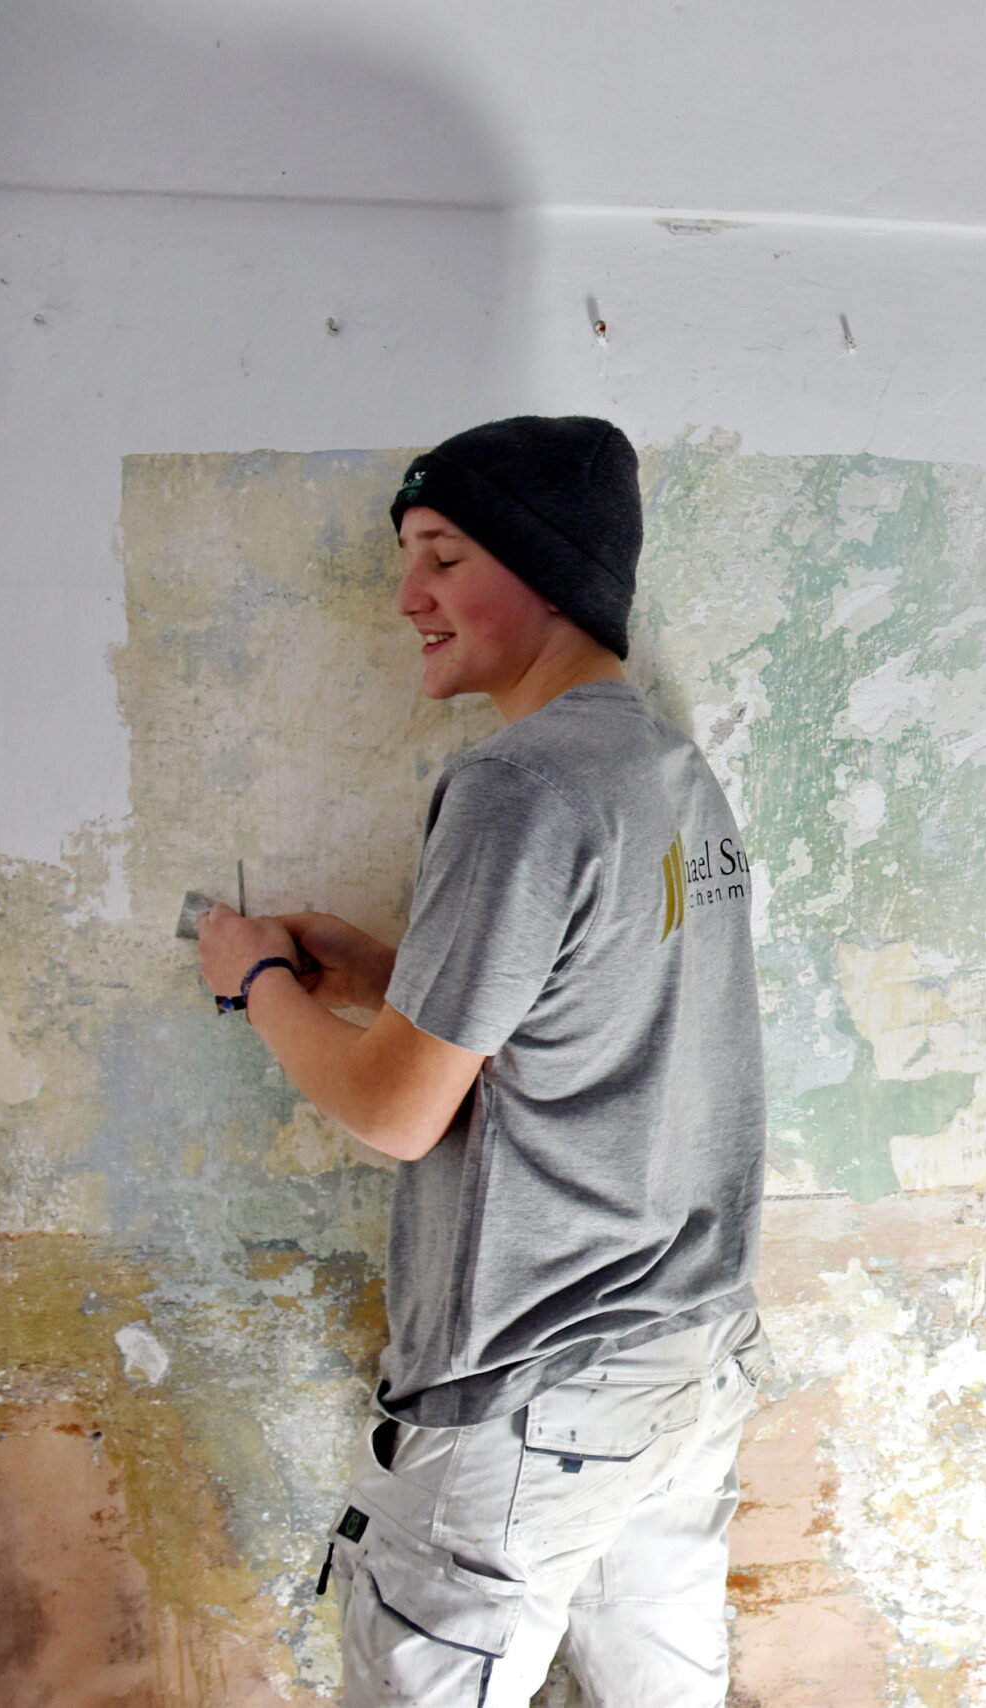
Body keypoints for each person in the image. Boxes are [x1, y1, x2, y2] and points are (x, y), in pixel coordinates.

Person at [193, 416, 770, 1708]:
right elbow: (598, 1009)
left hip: (535, 1396)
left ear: (547, 567)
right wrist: (390, 974)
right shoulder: (668, 767)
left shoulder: (519, 784)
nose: (410, 596)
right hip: (684, 1365)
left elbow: (397, 1112)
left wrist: (255, 981)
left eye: (444, 557)